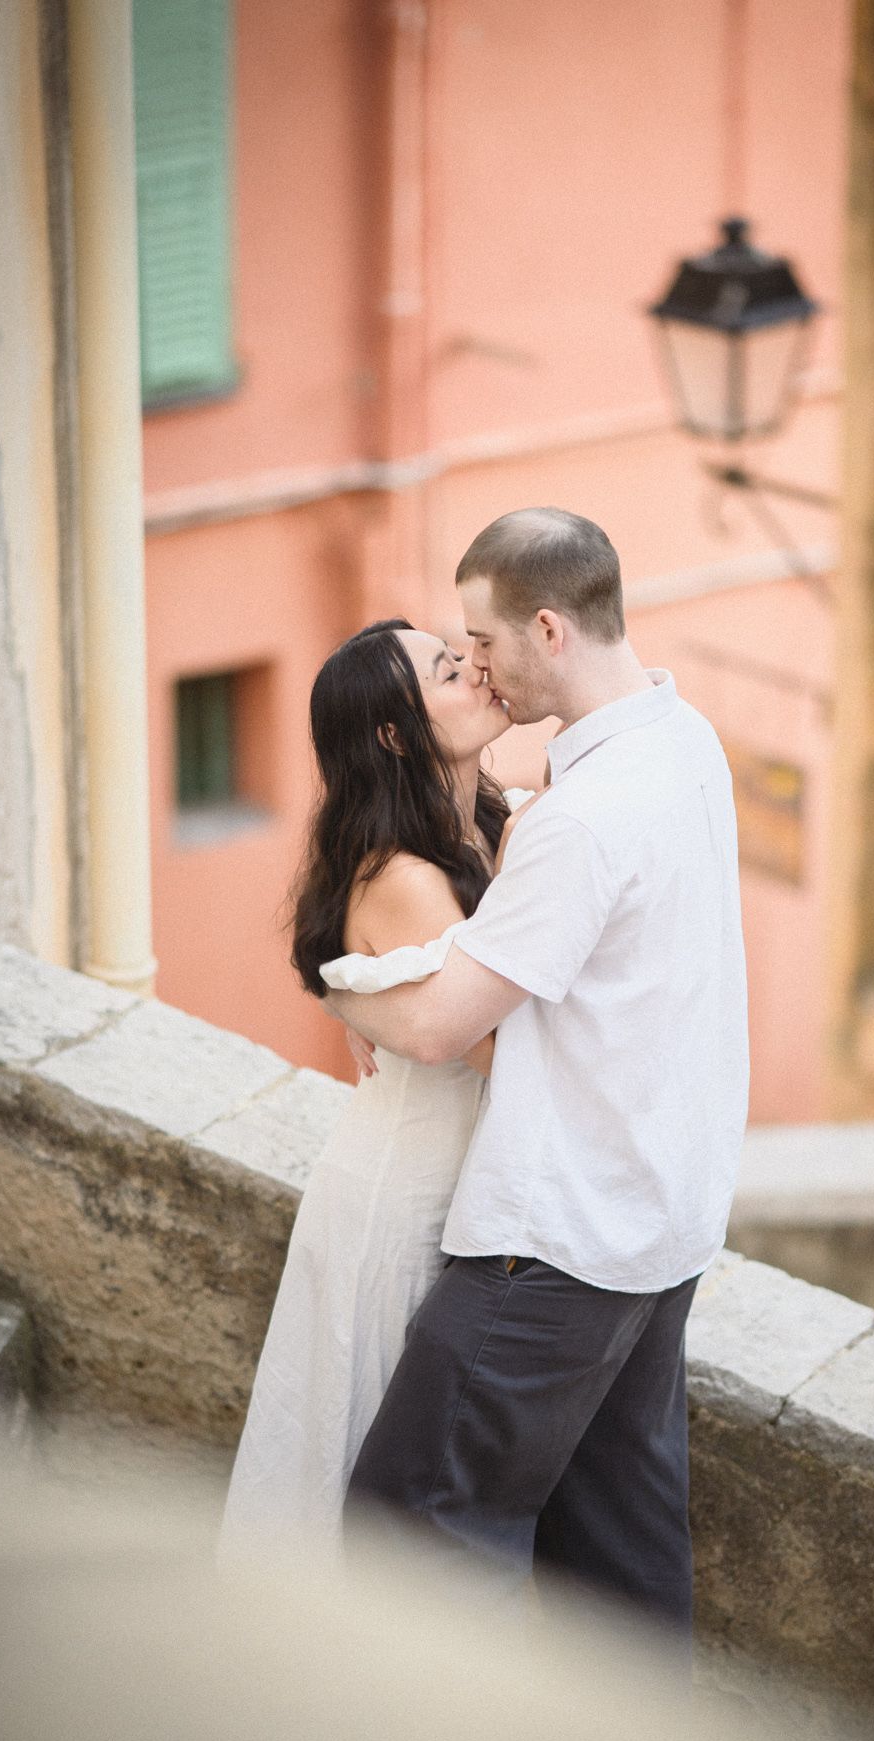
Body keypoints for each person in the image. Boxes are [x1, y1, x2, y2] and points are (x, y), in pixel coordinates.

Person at [324, 508, 750, 1651]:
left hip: (556, 1236)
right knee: (617, 1548)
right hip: (663, 1221)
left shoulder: (580, 820)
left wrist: (341, 982)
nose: (477, 663)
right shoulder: (685, 741)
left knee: (412, 1535)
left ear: (548, 629)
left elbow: (435, 1026)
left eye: (482, 637)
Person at [219, 617, 530, 1559]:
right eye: (447, 670)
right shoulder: (401, 876)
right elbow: (498, 1049)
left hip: (450, 1184)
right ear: (395, 733)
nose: (476, 669)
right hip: (399, 1203)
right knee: (358, 1455)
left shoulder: (483, 824)